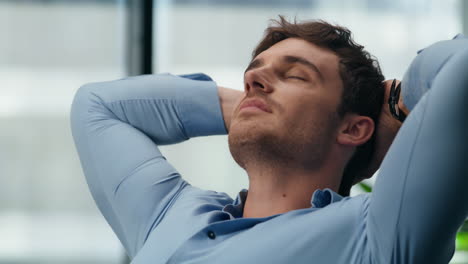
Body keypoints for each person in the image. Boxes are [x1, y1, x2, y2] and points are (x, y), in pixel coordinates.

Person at [70, 16, 468, 263]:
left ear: (353, 128)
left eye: (295, 75)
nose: (252, 80)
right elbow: (97, 105)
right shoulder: (170, 216)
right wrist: (253, 107)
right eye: (253, 74)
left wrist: (396, 101)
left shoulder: (376, 234)